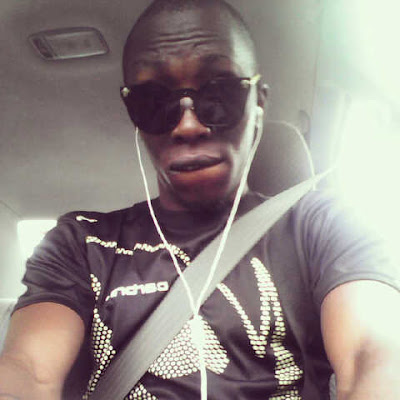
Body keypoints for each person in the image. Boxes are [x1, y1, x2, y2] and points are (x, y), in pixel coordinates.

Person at [1, 0, 400, 399]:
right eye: (153, 101)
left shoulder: (321, 227)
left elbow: (374, 355)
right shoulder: (80, 243)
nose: (188, 125)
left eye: (220, 92)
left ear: (259, 102)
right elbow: (29, 369)